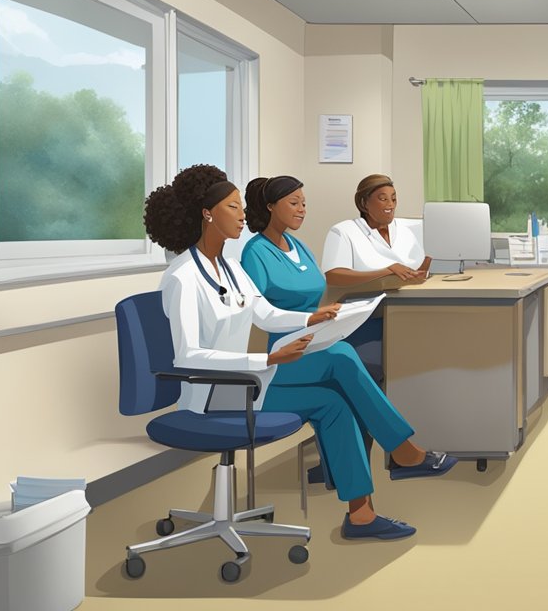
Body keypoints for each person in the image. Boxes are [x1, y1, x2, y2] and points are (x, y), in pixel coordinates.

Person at [145, 165, 454, 543]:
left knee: (332, 402)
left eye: (242, 206)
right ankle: (406, 453)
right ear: (207, 214)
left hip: (247, 384)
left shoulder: (227, 267)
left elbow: (264, 312)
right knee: (340, 358)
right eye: (232, 207)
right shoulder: (181, 277)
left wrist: (312, 316)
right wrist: (268, 361)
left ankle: (361, 516)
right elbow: (187, 357)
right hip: (214, 393)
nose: (243, 215)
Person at [322, 174, 430, 288]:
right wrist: (388, 271)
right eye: (383, 199)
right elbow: (333, 277)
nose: (391, 205)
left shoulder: (408, 228)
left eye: (393, 199)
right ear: (364, 203)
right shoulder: (343, 231)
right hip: (363, 302)